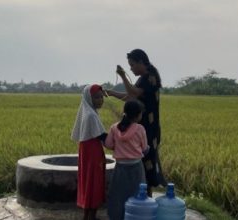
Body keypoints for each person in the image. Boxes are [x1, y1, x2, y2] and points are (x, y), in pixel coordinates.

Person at [106, 49, 167, 197]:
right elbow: (131, 97)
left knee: (147, 159)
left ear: (141, 62)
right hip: (144, 124)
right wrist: (112, 93)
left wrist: (122, 76)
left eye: (132, 65)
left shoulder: (149, 77)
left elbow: (133, 94)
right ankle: (143, 195)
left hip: (148, 126)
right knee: (143, 159)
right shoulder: (145, 77)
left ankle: (146, 196)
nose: (131, 69)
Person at [104, 100, 149, 220]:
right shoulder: (140, 129)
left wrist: (118, 147)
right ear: (138, 115)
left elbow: (108, 144)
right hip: (136, 167)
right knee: (137, 193)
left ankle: (117, 216)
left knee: (118, 195)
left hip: (120, 167)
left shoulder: (114, 128)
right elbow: (144, 149)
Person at [71, 84, 107, 220]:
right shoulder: (91, 115)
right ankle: (91, 215)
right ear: (89, 98)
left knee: (88, 181)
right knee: (93, 181)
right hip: (92, 153)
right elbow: (102, 136)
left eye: (102, 97)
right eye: (97, 97)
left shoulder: (88, 111)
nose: (101, 100)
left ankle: (88, 215)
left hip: (87, 151)